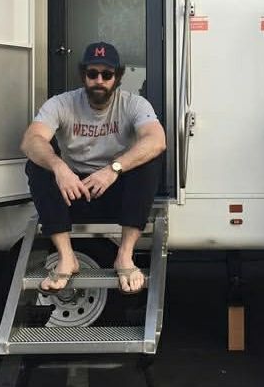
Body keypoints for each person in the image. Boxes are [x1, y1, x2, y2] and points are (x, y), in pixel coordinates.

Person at [20, 41, 166, 295]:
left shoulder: (134, 104)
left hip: (116, 193)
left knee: (149, 162)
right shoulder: (61, 103)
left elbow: (157, 140)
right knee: (38, 164)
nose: (99, 80)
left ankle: (125, 256)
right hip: (74, 192)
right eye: (92, 73)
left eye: (107, 74)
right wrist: (59, 167)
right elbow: (31, 140)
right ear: (83, 75)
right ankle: (67, 257)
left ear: (117, 78)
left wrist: (113, 170)